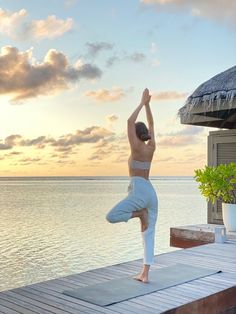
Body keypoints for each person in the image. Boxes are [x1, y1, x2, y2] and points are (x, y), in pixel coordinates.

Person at [106, 88, 158, 283]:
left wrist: (141, 103)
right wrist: (148, 105)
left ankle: (139, 214)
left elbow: (129, 122)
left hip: (138, 188)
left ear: (136, 134)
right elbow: (151, 123)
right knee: (148, 233)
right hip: (150, 191)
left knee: (111, 216)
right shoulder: (151, 147)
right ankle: (145, 274)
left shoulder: (136, 147)